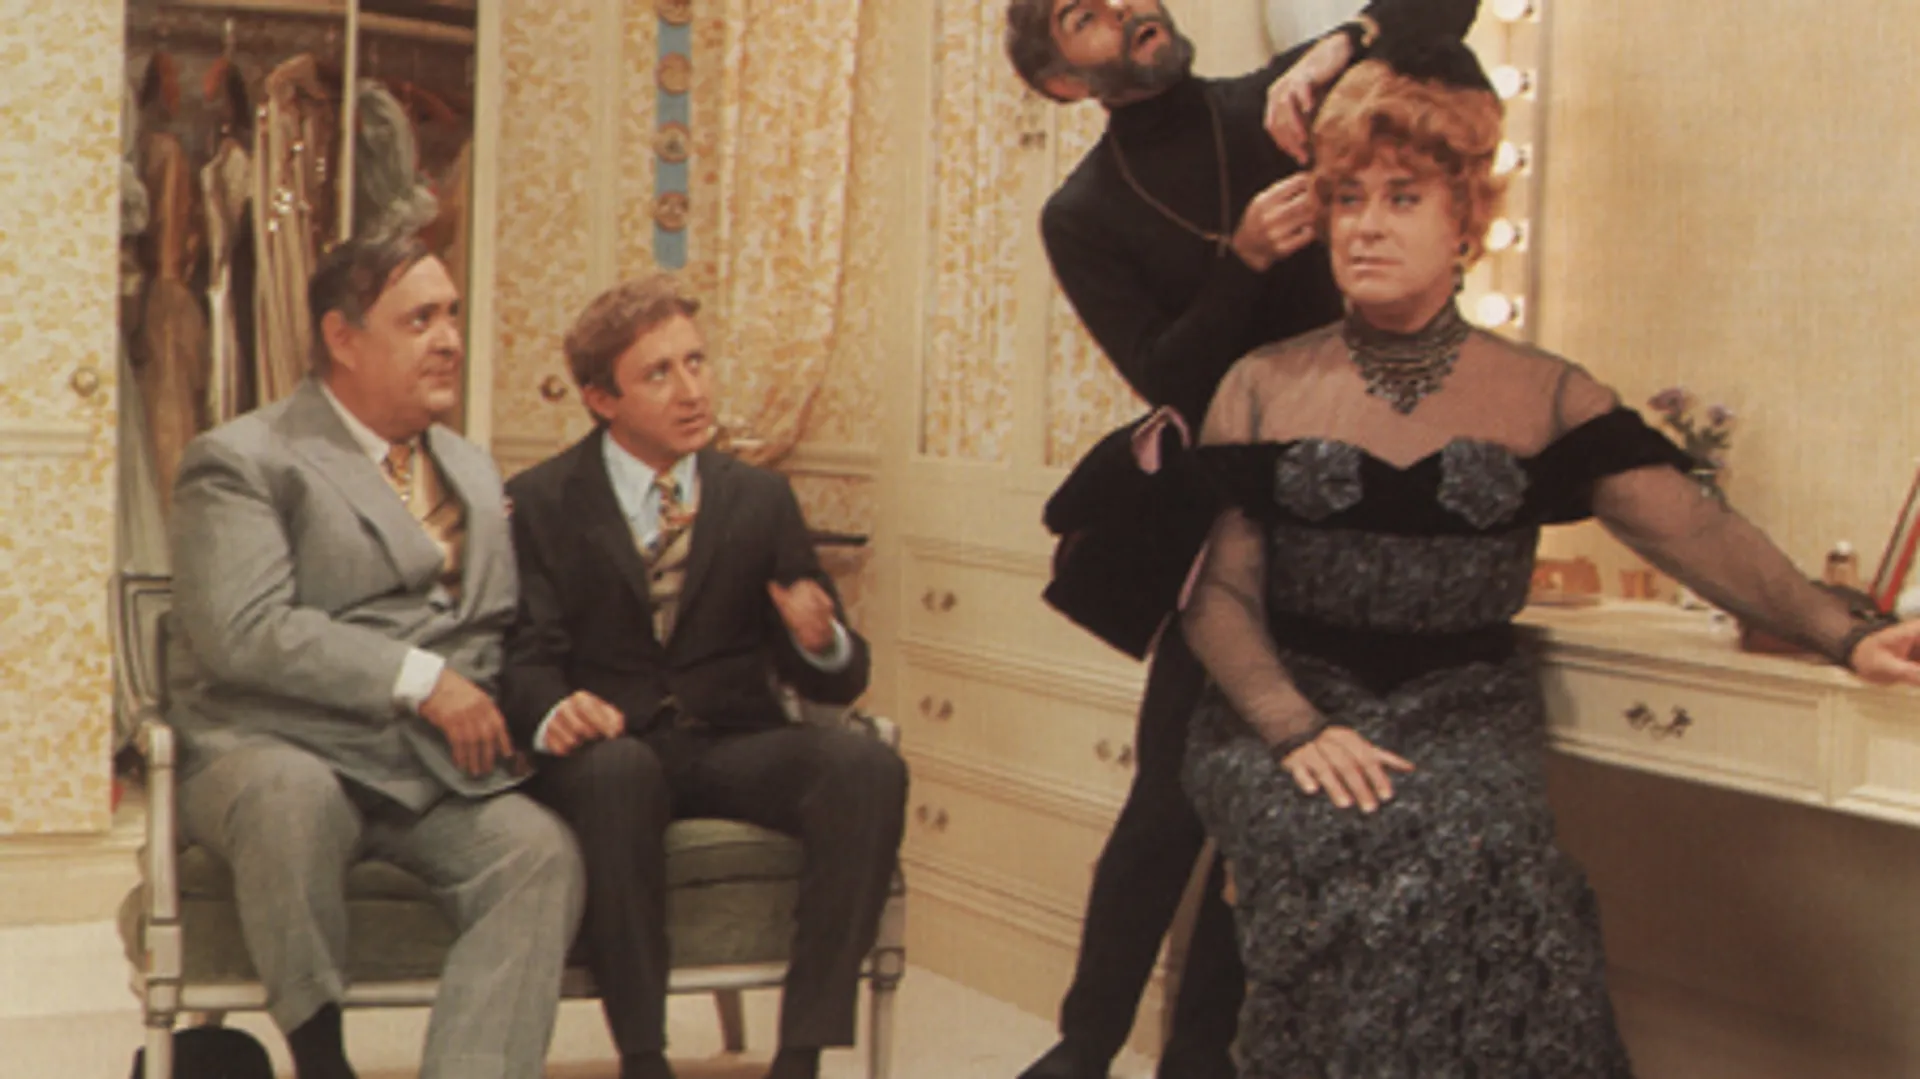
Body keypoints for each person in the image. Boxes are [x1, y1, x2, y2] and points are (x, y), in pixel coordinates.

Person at [1177, 38, 1920, 1076]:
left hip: (1464, 710)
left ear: (1465, 222)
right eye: (1348, 199)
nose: (1366, 225)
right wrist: (1295, 727)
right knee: (1344, 837)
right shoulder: (1259, 383)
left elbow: (1693, 531)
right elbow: (1216, 594)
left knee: (1475, 847)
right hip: (1285, 706)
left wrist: (1847, 634)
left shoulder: (1545, 393)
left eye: (1401, 198)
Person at [1002, 2, 1479, 1076]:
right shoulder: (1082, 212)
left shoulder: (1278, 101)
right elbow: (1167, 376)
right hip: (1219, 527)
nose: (1128, 8)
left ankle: (1201, 1053)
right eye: (1085, 15)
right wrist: (1247, 262)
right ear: (1062, 81)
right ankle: (1083, 1046)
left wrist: (1345, 40)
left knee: (1277, 805)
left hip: (1350, 509)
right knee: (1169, 802)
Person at [165, 232, 585, 1079]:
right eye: (419, 319)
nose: (450, 339)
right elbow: (245, 629)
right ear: (342, 337)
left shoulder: (470, 465)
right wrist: (422, 679)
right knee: (292, 798)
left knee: (539, 853)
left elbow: (494, 623)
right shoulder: (244, 458)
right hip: (275, 740)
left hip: (426, 762)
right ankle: (323, 1061)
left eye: (452, 316)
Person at [500, 275, 907, 1079]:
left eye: (697, 362)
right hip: (610, 744)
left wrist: (822, 639)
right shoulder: (541, 500)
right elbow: (523, 654)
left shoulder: (758, 498)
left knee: (867, 765)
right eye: (659, 373)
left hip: (730, 740)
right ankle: (644, 1055)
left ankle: (801, 1055)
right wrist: (557, 709)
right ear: (601, 398)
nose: (692, 391)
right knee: (620, 773)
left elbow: (839, 680)